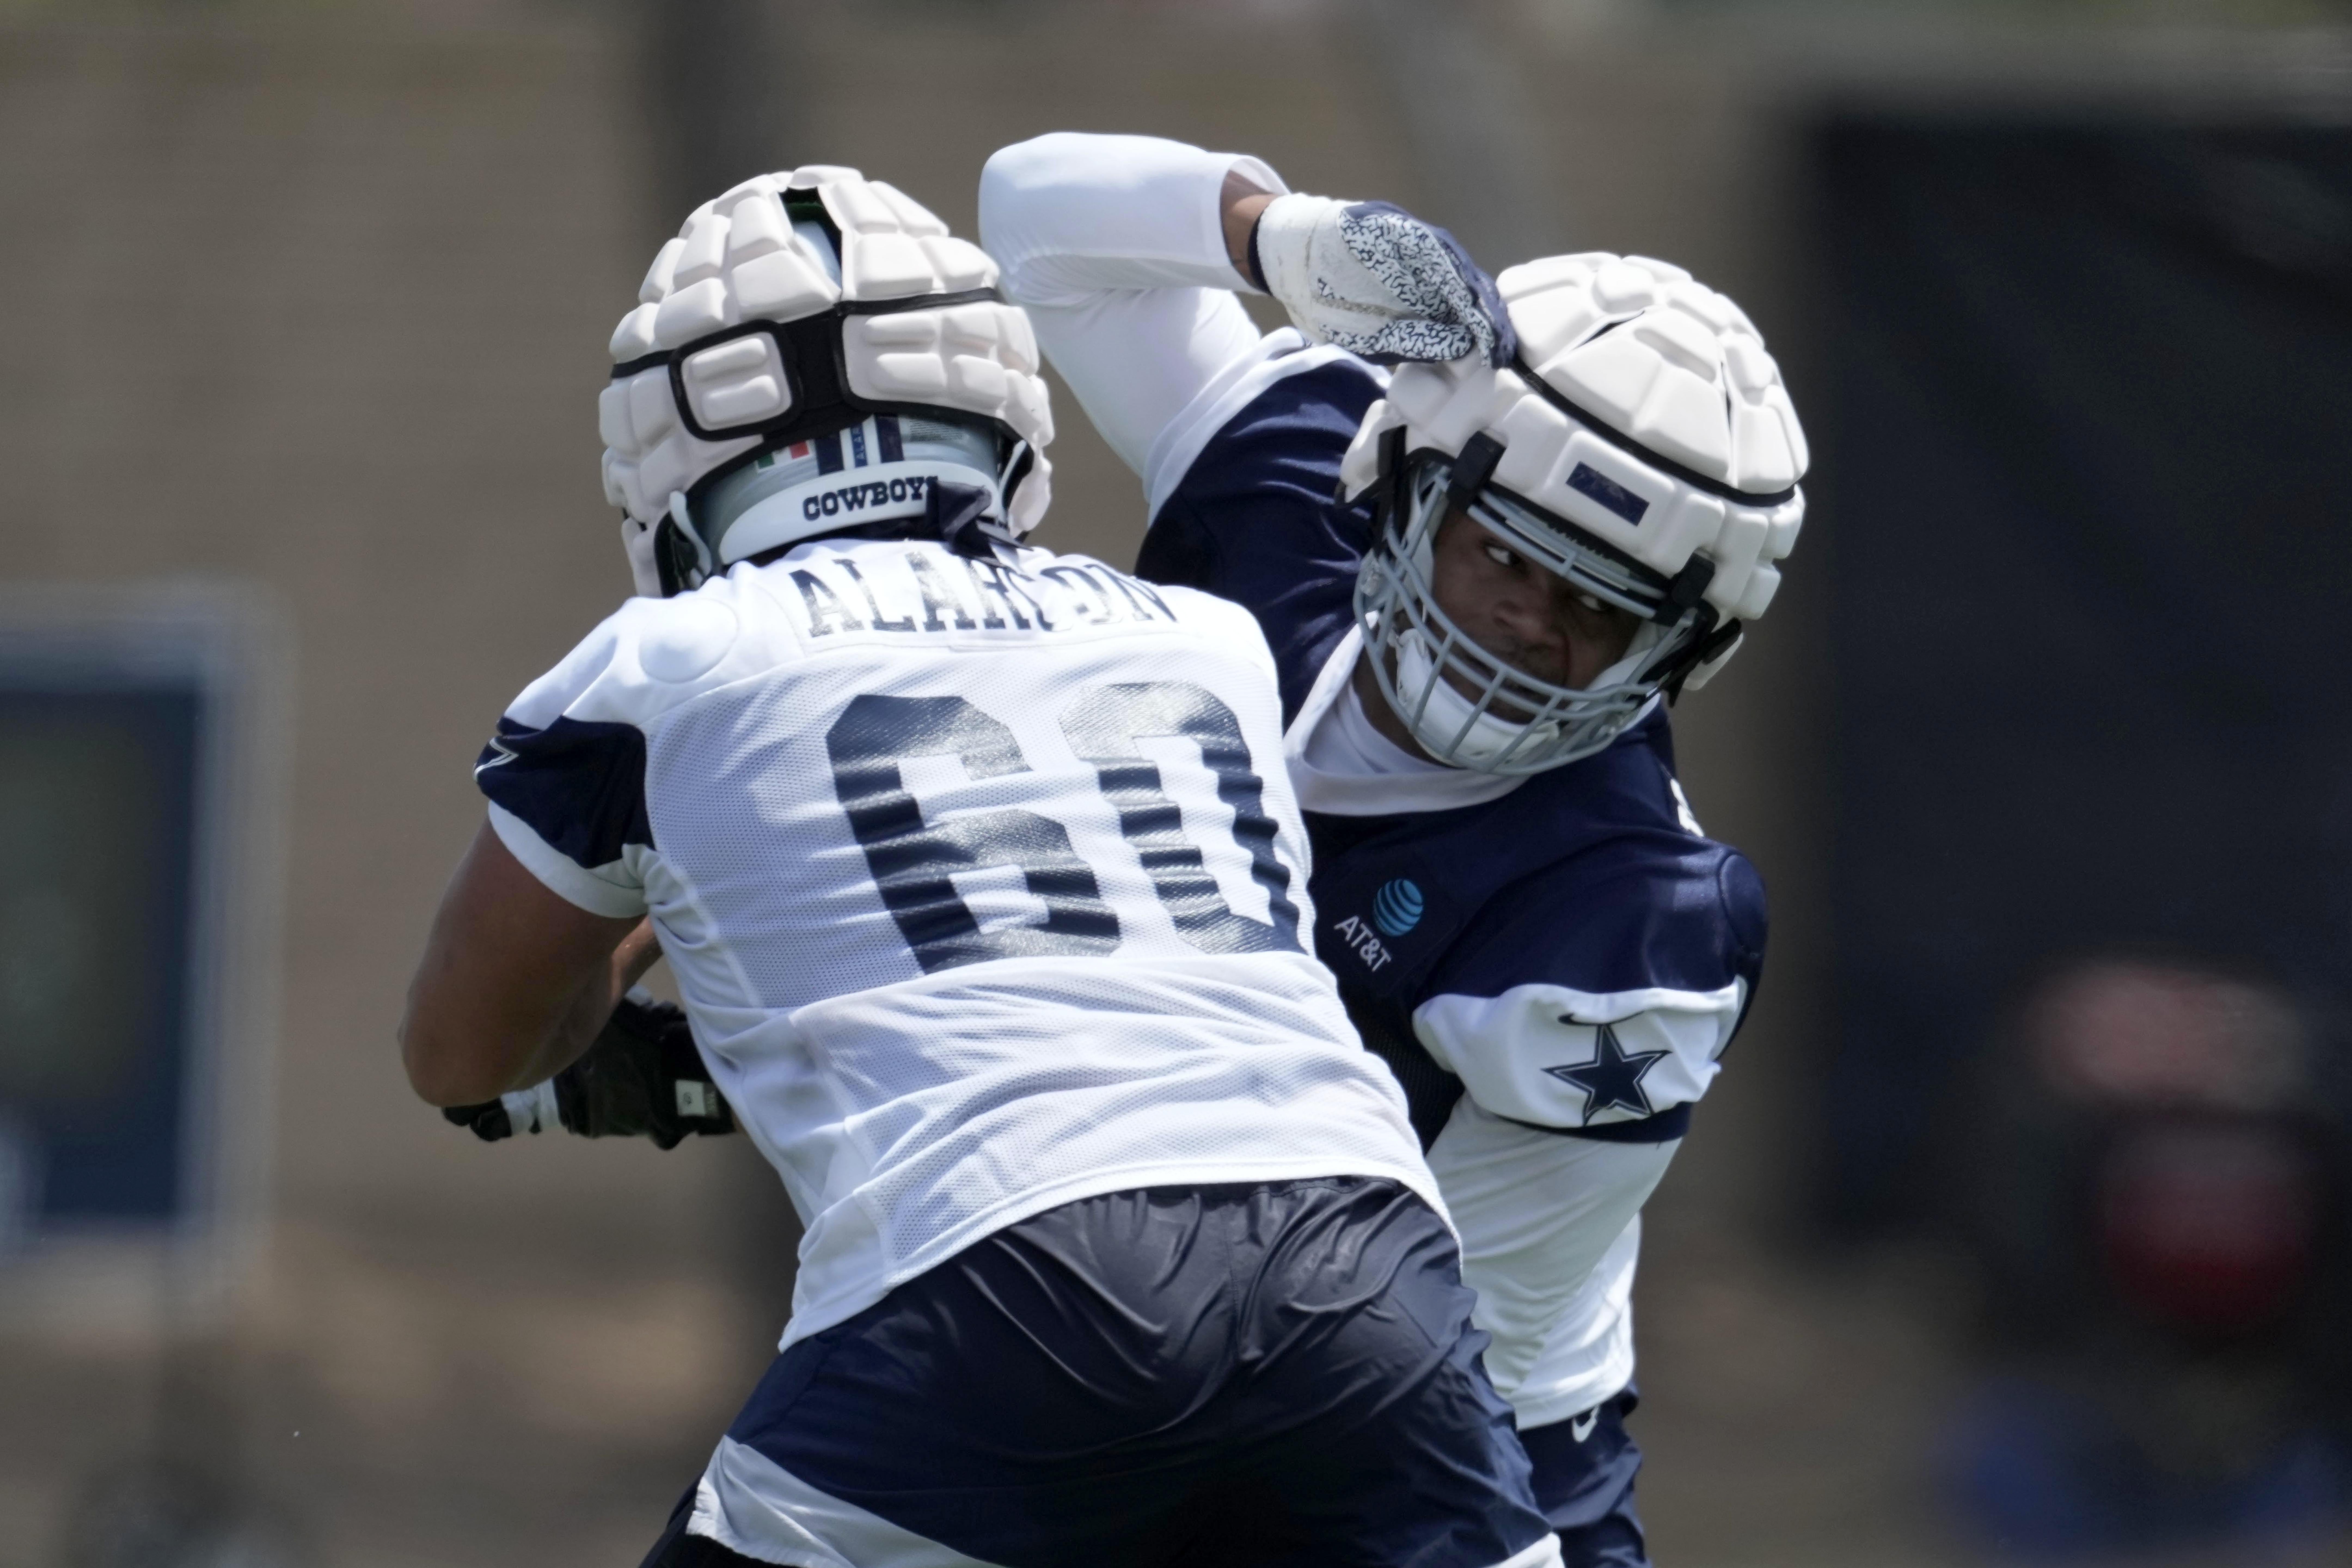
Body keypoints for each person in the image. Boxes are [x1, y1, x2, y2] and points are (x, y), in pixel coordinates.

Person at [397, 164, 1567, 1568]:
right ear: (1001, 414)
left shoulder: (662, 670)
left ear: (673, 464)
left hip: (998, 1273)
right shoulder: (1200, 638)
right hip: (1366, 1263)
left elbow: (464, 1051)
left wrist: (619, 1033)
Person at [978, 132, 1808, 1566]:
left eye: (1601, 610)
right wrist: (1276, 243)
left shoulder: (1628, 919)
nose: (1535, 626)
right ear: (1407, 475)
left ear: (1683, 652)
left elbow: (1394, 1331)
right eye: (1510, 555)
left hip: (1439, 1463)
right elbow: (1031, 221)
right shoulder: (1295, 475)